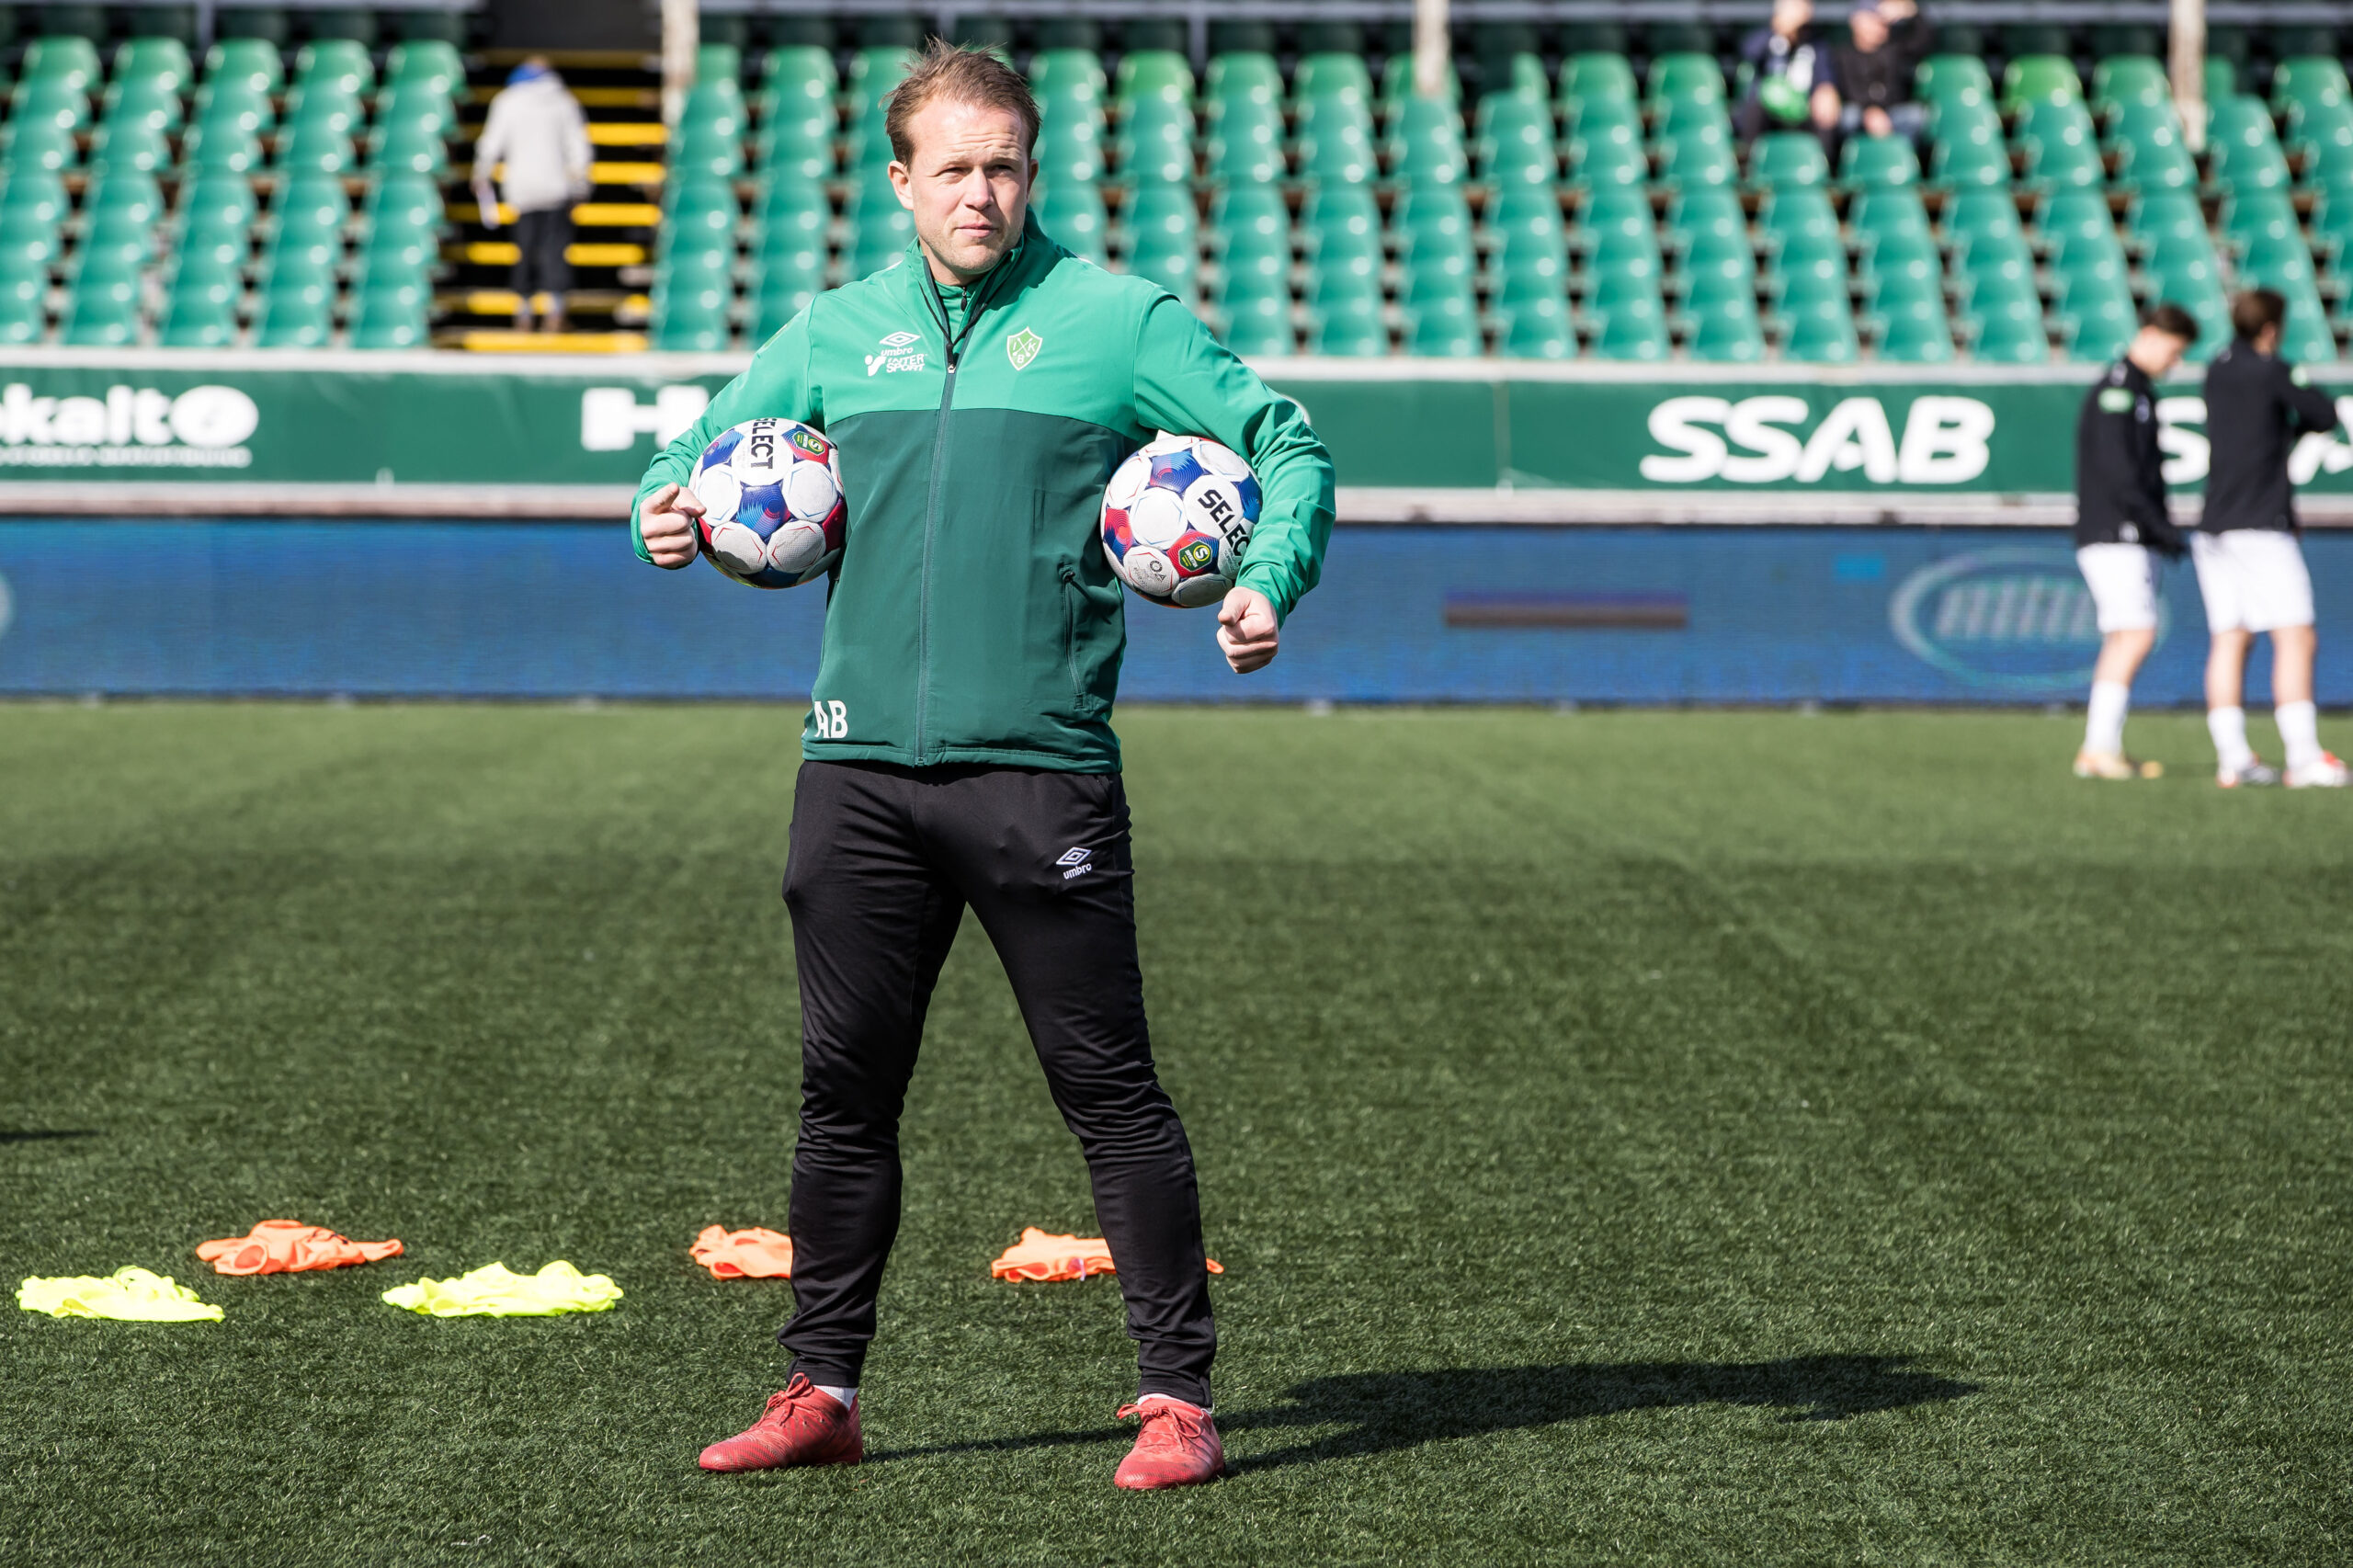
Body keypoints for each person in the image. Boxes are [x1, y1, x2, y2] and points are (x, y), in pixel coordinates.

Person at [631, 41, 1334, 1489]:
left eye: (1003, 166)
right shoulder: (836, 330)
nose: (980, 193)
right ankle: (822, 1389)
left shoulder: (1117, 321)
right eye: (952, 169)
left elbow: (1286, 441)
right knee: (844, 1095)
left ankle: (1177, 1398)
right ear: (901, 181)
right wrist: (659, 503)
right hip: (857, 774)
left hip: (1042, 774)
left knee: (1109, 1091)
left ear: (1032, 173)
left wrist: (1268, 572)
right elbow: (692, 448)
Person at [2196, 289, 2347, 788]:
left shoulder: (2217, 369)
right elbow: (2324, 413)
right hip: (2261, 524)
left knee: (2230, 637)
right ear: (2271, 328)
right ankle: (2303, 757)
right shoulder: (2273, 369)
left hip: (2215, 523)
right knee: (2295, 635)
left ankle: (2233, 757)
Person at [2070, 303, 2199, 779]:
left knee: (2124, 637)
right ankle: (2099, 747)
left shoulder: (2138, 390)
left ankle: (2100, 748)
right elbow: (2119, 472)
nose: (2174, 362)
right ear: (2151, 335)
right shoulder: (2119, 391)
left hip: (2126, 533)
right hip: (2116, 533)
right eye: (2174, 351)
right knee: (2137, 633)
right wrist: (2157, 526)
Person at [472, 56, 590, 334]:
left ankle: (523, 312)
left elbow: (491, 142)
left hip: (521, 189)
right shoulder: (563, 101)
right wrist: (581, 185)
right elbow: (579, 146)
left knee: (524, 249)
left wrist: (481, 173)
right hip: (557, 188)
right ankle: (555, 310)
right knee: (555, 250)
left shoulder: (507, 101)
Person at [1826, 0, 1933, 148]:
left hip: (1892, 115)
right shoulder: (1842, 55)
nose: (1879, 26)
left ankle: (1902, 157)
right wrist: (1869, 111)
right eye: (1872, 19)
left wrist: (1911, 11)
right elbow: (1847, 91)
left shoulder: (1894, 49)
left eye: (1881, 21)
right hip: (1860, 115)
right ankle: (1853, 157)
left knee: (1917, 116)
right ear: (1856, 22)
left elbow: (1924, 39)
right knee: (1848, 117)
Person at [1734, 0, 1838, 145]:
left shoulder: (1816, 44)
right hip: (1771, 111)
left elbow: (1826, 76)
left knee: (1826, 110)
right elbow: (1749, 52)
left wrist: (1826, 90)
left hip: (1803, 109)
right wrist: (1779, 30)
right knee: (1754, 107)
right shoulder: (1768, 38)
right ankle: (1752, 156)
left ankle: (1821, 159)